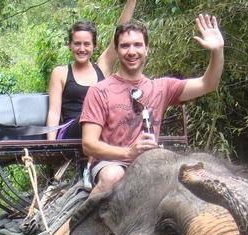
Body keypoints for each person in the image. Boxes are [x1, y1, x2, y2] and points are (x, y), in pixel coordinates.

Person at [80, 14, 225, 193]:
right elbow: (88, 145)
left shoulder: (162, 87)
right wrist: (128, 153)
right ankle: (83, 221)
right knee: (113, 176)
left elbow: (208, 84)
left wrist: (217, 51)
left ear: (147, 49)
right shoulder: (99, 90)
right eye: (125, 46)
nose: (131, 51)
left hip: (150, 163)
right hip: (111, 163)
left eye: (138, 45)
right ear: (116, 51)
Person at [45, 0, 137, 140]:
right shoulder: (60, 73)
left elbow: (119, 31)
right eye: (77, 44)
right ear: (70, 45)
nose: (82, 49)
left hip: (101, 128)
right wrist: (51, 146)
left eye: (86, 44)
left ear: (94, 46)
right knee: (90, 118)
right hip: (72, 130)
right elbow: (54, 112)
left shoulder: (101, 67)